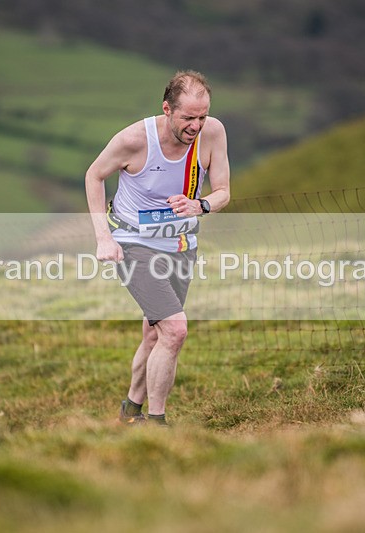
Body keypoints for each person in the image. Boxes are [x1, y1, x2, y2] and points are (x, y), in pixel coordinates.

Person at [85, 70, 230, 426]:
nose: (196, 126)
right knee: (175, 329)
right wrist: (103, 238)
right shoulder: (134, 139)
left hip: (180, 244)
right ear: (167, 109)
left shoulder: (213, 133)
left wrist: (202, 205)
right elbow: (94, 175)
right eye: (188, 118)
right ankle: (156, 423)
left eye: (202, 116)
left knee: (155, 333)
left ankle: (130, 409)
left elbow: (224, 191)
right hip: (133, 243)